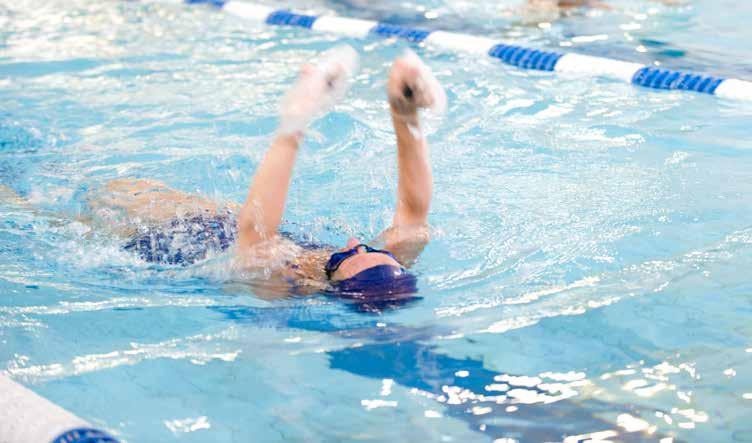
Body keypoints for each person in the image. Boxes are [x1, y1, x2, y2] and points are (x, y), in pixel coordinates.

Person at [83, 46, 446, 298]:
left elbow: (255, 229)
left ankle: (25, 206)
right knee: (120, 187)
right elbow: (413, 215)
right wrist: (406, 116)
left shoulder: (282, 285)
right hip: (218, 220)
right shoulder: (382, 266)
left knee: (86, 208)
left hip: (169, 244)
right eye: (367, 248)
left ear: (328, 286)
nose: (352, 243)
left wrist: (295, 123)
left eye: (344, 257)